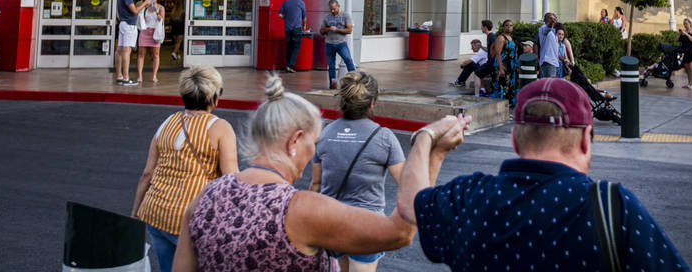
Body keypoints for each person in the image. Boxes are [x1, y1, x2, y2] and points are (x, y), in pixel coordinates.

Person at [173, 77, 461, 272]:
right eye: (313, 141)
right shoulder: (299, 210)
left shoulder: (204, 198)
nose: (314, 151)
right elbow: (401, 231)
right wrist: (429, 145)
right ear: (294, 141)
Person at [401, 78, 688, 271]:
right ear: (587, 138)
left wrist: (428, 138)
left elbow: (410, 204)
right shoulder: (612, 207)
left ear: (515, 139)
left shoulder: (471, 195)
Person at [133, 66, 238, 272]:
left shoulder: (167, 122)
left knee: (167, 267)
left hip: (155, 212)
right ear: (216, 96)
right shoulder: (220, 128)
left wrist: (135, 212)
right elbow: (230, 179)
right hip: (191, 218)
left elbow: (147, 173)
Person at [311, 71, 405, 272]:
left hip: (331, 222)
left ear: (342, 101)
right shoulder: (384, 137)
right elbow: (406, 186)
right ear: (372, 102)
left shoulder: (325, 133)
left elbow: (316, 185)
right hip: (367, 225)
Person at [116, 0, 149, 86]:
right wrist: (144, 3)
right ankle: (126, 78)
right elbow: (135, 11)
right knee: (127, 51)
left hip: (123, 24)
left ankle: (119, 75)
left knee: (119, 50)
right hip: (129, 25)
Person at [321, 0, 356, 90]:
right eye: (331, 9)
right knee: (331, 66)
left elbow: (349, 30)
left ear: (338, 6)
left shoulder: (345, 15)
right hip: (329, 44)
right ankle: (333, 85)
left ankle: (355, 82)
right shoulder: (327, 17)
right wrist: (328, 29)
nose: (332, 11)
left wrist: (336, 29)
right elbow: (321, 30)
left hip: (341, 44)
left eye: (334, 9)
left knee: (348, 60)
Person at [137, 0, 165, 84]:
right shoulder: (144, 7)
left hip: (155, 32)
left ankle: (154, 76)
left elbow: (162, 20)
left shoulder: (161, 7)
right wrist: (142, 19)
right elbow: (139, 17)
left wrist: (157, 12)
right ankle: (140, 76)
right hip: (145, 31)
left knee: (156, 55)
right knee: (141, 54)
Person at [278, 0, 307, 74]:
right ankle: (290, 66)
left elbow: (280, 15)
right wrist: (304, 26)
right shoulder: (301, 3)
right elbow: (304, 16)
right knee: (296, 47)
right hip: (296, 28)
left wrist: (286, 18)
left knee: (288, 47)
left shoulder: (285, 2)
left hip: (287, 29)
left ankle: (287, 65)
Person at [536, 12, 559, 79]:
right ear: (545, 20)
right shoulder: (543, 28)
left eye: (553, 18)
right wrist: (551, 23)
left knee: (553, 86)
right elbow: (548, 27)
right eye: (550, 18)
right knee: (549, 87)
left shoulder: (554, 31)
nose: (552, 20)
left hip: (555, 63)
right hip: (548, 62)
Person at [678, 18, 692, 89]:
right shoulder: (683, 31)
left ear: (690, 23)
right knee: (687, 68)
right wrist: (680, 34)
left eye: (686, 23)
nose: (685, 25)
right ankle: (689, 83)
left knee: (691, 67)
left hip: (691, 50)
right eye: (684, 23)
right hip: (684, 51)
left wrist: (686, 34)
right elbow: (676, 40)